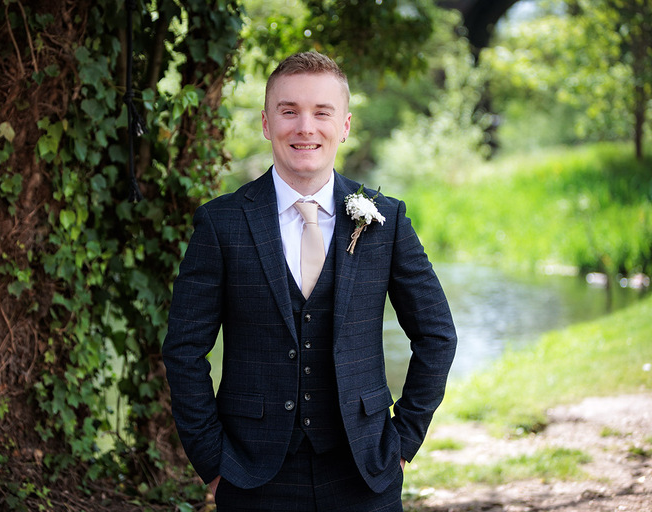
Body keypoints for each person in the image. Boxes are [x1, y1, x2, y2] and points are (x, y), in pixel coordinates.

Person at [162, 51, 457, 511]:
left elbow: (436, 334)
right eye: (289, 111)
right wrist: (213, 461)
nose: (305, 127)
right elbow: (183, 349)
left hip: (365, 469)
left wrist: (402, 442)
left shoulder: (387, 219)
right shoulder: (221, 224)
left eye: (322, 112)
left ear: (344, 125)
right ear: (266, 122)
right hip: (251, 472)